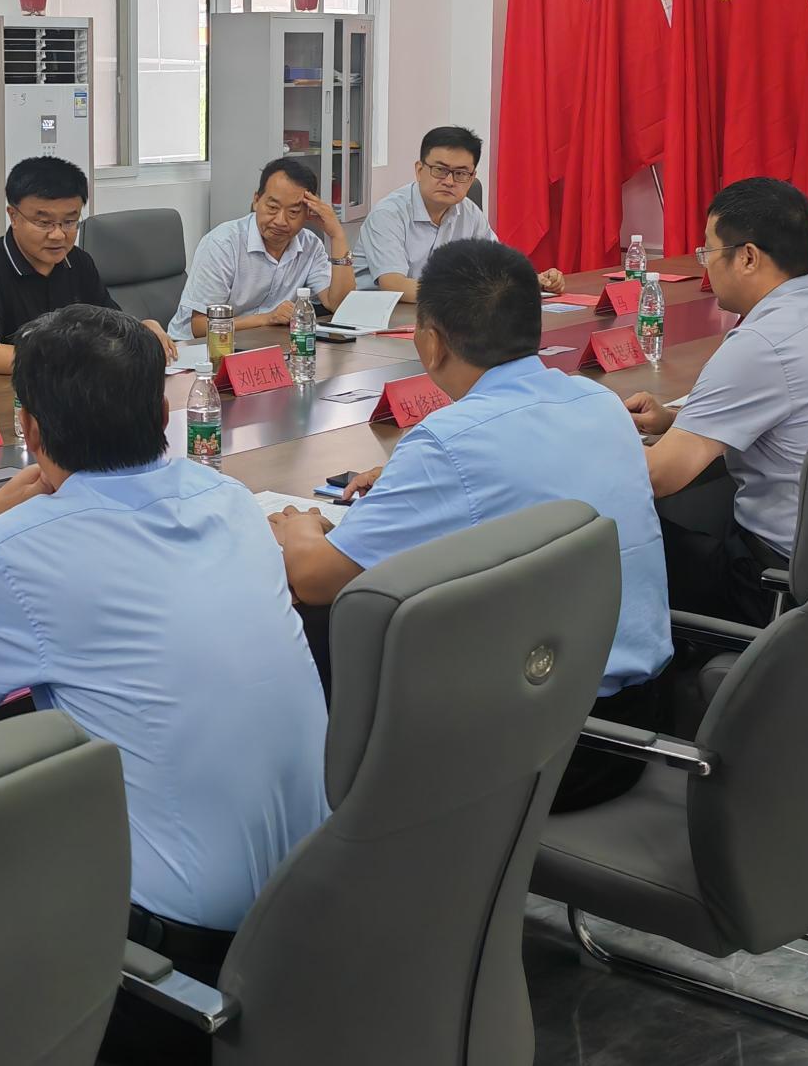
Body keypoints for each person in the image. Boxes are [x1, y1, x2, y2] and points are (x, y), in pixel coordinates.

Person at [0, 304, 327, 961]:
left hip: (178, 942)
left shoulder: (18, 546)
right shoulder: (231, 500)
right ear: (163, 414)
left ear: (29, 429)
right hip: (319, 896)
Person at [271, 239, 670, 811]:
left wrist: (298, 529)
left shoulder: (448, 443)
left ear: (430, 342)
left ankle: (328, 823)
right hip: (635, 722)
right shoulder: (598, 402)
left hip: (539, 752)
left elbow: (314, 578)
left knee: (319, 622)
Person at [625, 179, 808, 626]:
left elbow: (658, 475)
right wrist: (675, 420)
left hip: (781, 582)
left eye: (708, 251)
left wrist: (591, 431)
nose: (706, 266)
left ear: (748, 257)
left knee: (624, 538)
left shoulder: (762, 342)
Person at [0, 155, 177, 376]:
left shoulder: (79, 262)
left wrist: (142, 329)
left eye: (69, 222)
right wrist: (72, 360)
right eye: (44, 223)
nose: (58, 235)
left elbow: (111, 328)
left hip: (62, 391)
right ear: (13, 216)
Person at [354, 125, 565, 297]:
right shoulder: (389, 214)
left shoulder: (469, 212)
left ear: (472, 178)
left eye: (460, 173)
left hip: (437, 314)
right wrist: (466, 291)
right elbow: (394, 285)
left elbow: (498, 265)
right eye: (440, 170)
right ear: (419, 170)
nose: (449, 181)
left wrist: (534, 280)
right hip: (378, 320)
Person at [168, 157, 355, 338]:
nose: (280, 221)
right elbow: (200, 326)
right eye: (273, 207)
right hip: (197, 348)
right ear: (256, 200)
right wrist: (267, 318)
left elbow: (338, 305)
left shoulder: (310, 246)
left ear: (308, 212)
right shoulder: (223, 244)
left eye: (293, 212)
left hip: (262, 343)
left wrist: (337, 235)